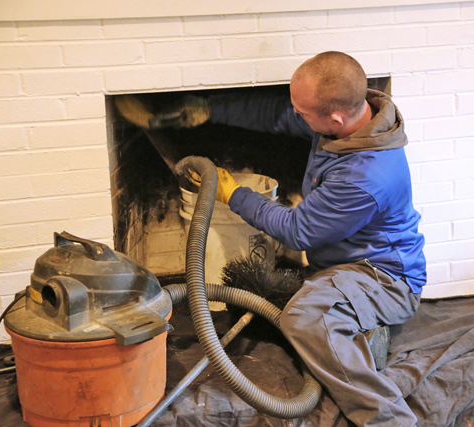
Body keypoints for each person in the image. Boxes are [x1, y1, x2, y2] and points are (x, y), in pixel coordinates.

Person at [120, 51, 426, 426]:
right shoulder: (348, 121)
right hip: (340, 263)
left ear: (334, 118)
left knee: (304, 317)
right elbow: (276, 114)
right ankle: (357, 336)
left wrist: (233, 194)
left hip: (382, 277)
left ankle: (390, 418)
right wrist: (208, 108)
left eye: (303, 112)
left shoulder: (366, 178)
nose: (296, 115)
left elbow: (297, 231)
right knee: (294, 302)